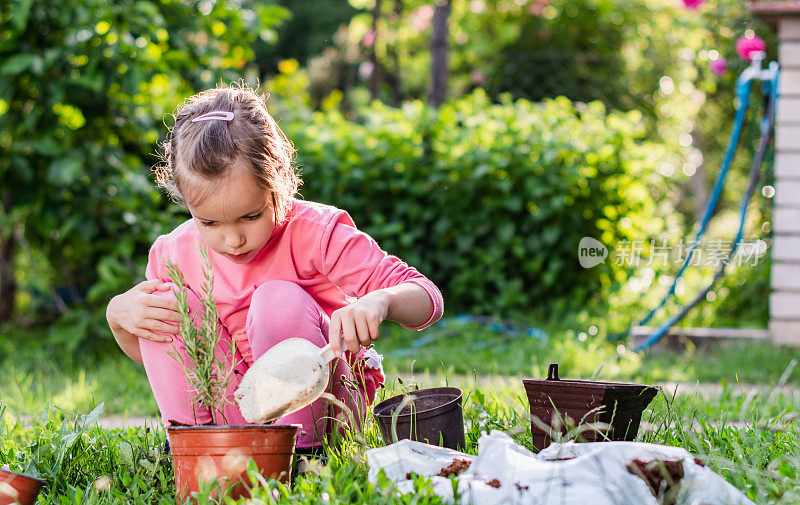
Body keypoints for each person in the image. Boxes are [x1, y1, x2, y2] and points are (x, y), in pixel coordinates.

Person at [105, 83, 444, 452]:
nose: (233, 240)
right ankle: (197, 450)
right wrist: (118, 319)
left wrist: (382, 301)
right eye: (210, 223)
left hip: (326, 406)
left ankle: (303, 456)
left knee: (275, 301)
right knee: (164, 305)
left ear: (278, 184)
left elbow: (427, 298)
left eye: (250, 216)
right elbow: (171, 360)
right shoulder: (174, 253)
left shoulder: (315, 232)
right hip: (236, 412)